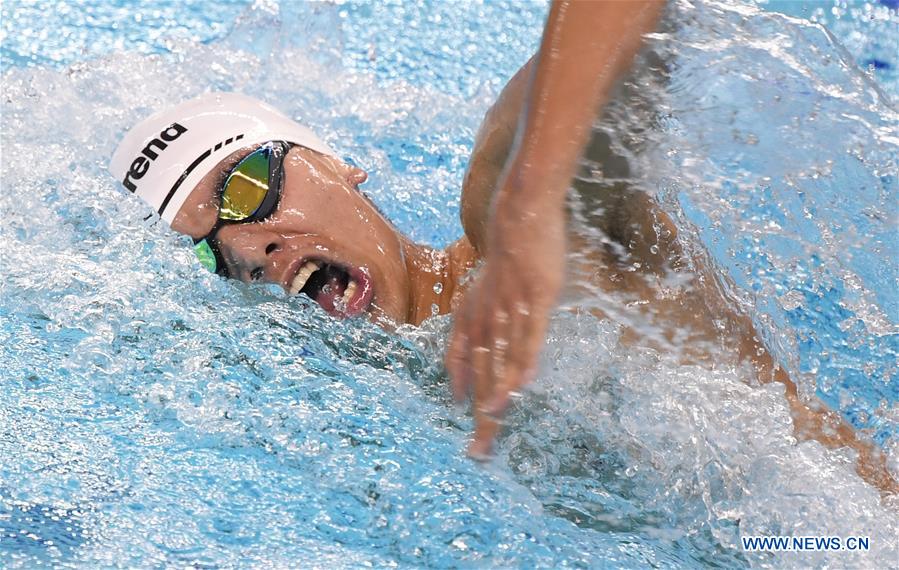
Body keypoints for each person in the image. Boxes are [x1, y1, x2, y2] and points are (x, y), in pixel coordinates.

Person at [109, 1, 897, 495]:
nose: (253, 246)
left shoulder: (513, 234)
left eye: (246, 188)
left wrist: (532, 197)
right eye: (213, 252)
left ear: (339, 164)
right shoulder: (362, 416)